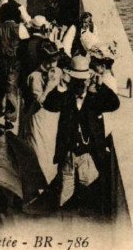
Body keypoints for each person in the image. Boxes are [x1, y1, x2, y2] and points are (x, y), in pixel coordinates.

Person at [44, 55, 120, 217]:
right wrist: (61, 86)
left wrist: (102, 87)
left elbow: (114, 104)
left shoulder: (95, 97)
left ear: (89, 78)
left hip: (88, 154)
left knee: (90, 192)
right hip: (68, 154)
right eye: (76, 80)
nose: (80, 84)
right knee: (65, 193)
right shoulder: (65, 95)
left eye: (83, 80)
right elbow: (49, 105)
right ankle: (64, 225)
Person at [21, 51, 62, 184]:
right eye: (48, 62)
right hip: (39, 117)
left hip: (54, 117)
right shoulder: (35, 76)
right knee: (38, 147)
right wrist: (49, 86)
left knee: (51, 147)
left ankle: (49, 179)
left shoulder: (58, 72)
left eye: (54, 61)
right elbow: (40, 101)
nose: (51, 65)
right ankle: (39, 180)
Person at [0, 0, 30, 128]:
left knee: (0, 83)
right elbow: (26, 40)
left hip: (0, 57)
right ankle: (9, 116)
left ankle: (0, 106)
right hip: (14, 59)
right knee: (11, 86)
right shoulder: (19, 27)